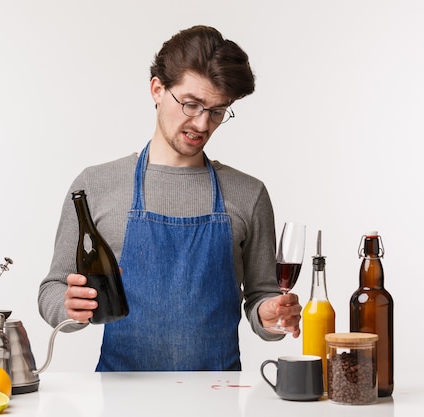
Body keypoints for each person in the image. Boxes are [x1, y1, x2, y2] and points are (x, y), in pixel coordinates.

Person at [38, 25, 302, 372]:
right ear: (157, 90)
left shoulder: (248, 194)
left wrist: (270, 316)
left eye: (218, 111)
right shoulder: (96, 184)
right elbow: (53, 288)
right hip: (121, 399)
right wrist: (70, 306)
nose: (202, 124)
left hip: (217, 398)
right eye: (191, 104)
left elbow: (261, 298)